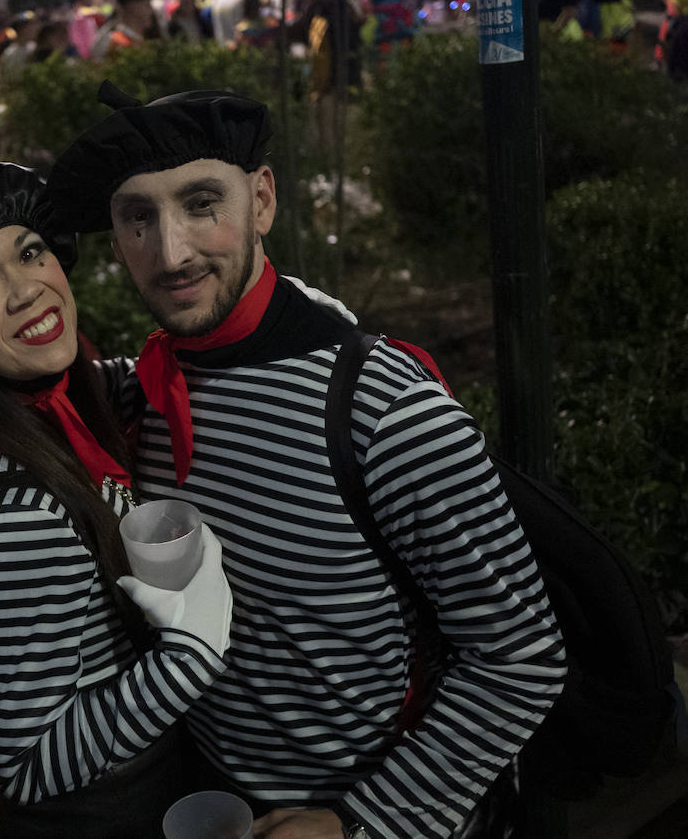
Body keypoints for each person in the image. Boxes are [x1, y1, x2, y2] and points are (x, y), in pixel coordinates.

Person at [45, 86, 567, 838]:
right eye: (138, 218)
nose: (171, 251)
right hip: (213, 800)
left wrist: (355, 822)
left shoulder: (383, 411)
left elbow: (520, 657)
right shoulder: (138, 398)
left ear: (261, 200)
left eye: (200, 203)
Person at [0, 161, 233, 838]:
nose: (26, 290)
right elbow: (28, 762)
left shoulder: (47, 406)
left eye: (30, 253)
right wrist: (193, 650)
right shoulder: (15, 520)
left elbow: (125, 379)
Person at [92, 0, 160, 58]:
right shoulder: (117, 43)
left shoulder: (136, 39)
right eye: (147, 5)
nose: (151, 11)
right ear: (133, 7)